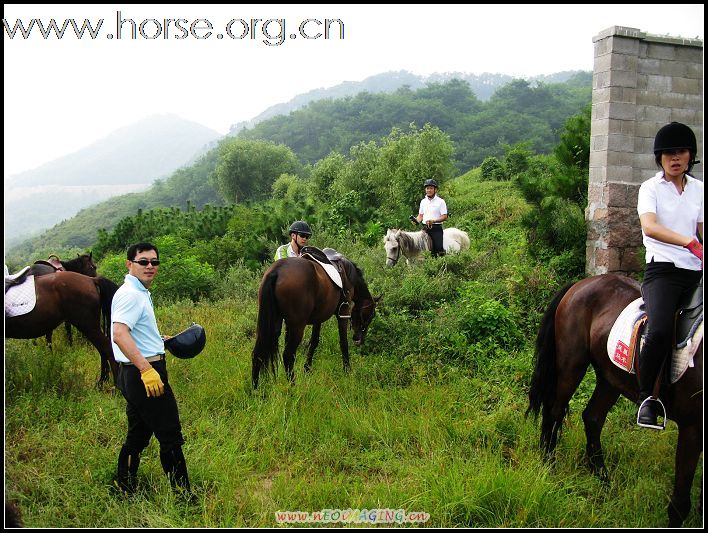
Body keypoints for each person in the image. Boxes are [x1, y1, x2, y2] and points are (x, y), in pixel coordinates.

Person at [636, 122, 703, 429]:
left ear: (691, 155)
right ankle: (647, 397)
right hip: (663, 270)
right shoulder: (650, 188)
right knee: (661, 329)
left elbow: (702, 229)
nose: (675, 158)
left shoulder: (700, 189)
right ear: (659, 157)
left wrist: (699, 242)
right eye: (668, 153)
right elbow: (650, 226)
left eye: (681, 151)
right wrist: (689, 241)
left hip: (696, 270)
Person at [111, 242, 191, 496]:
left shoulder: (138, 291)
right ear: (129, 264)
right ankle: (183, 496)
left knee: (138, 433)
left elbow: (132, 331)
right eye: (143, 261)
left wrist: (158, 340)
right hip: (144, 374)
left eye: (154, 262)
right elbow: (119, 334)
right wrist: (147, 369)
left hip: (132, 373)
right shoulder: (131, 294)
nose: (149, 267)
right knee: (170, 434)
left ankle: (123, 486)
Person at [415, 178, 448, 257]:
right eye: (427, 188)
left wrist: (433, 221)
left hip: (436, 228)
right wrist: (416, 220)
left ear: (435, 190)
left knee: (439, 248)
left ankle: (442, 263)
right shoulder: (423, 201)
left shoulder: (441, 201)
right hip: (425, 228)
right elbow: (420, 215)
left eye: (431, 188)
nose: (429, 190)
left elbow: (445, 216)